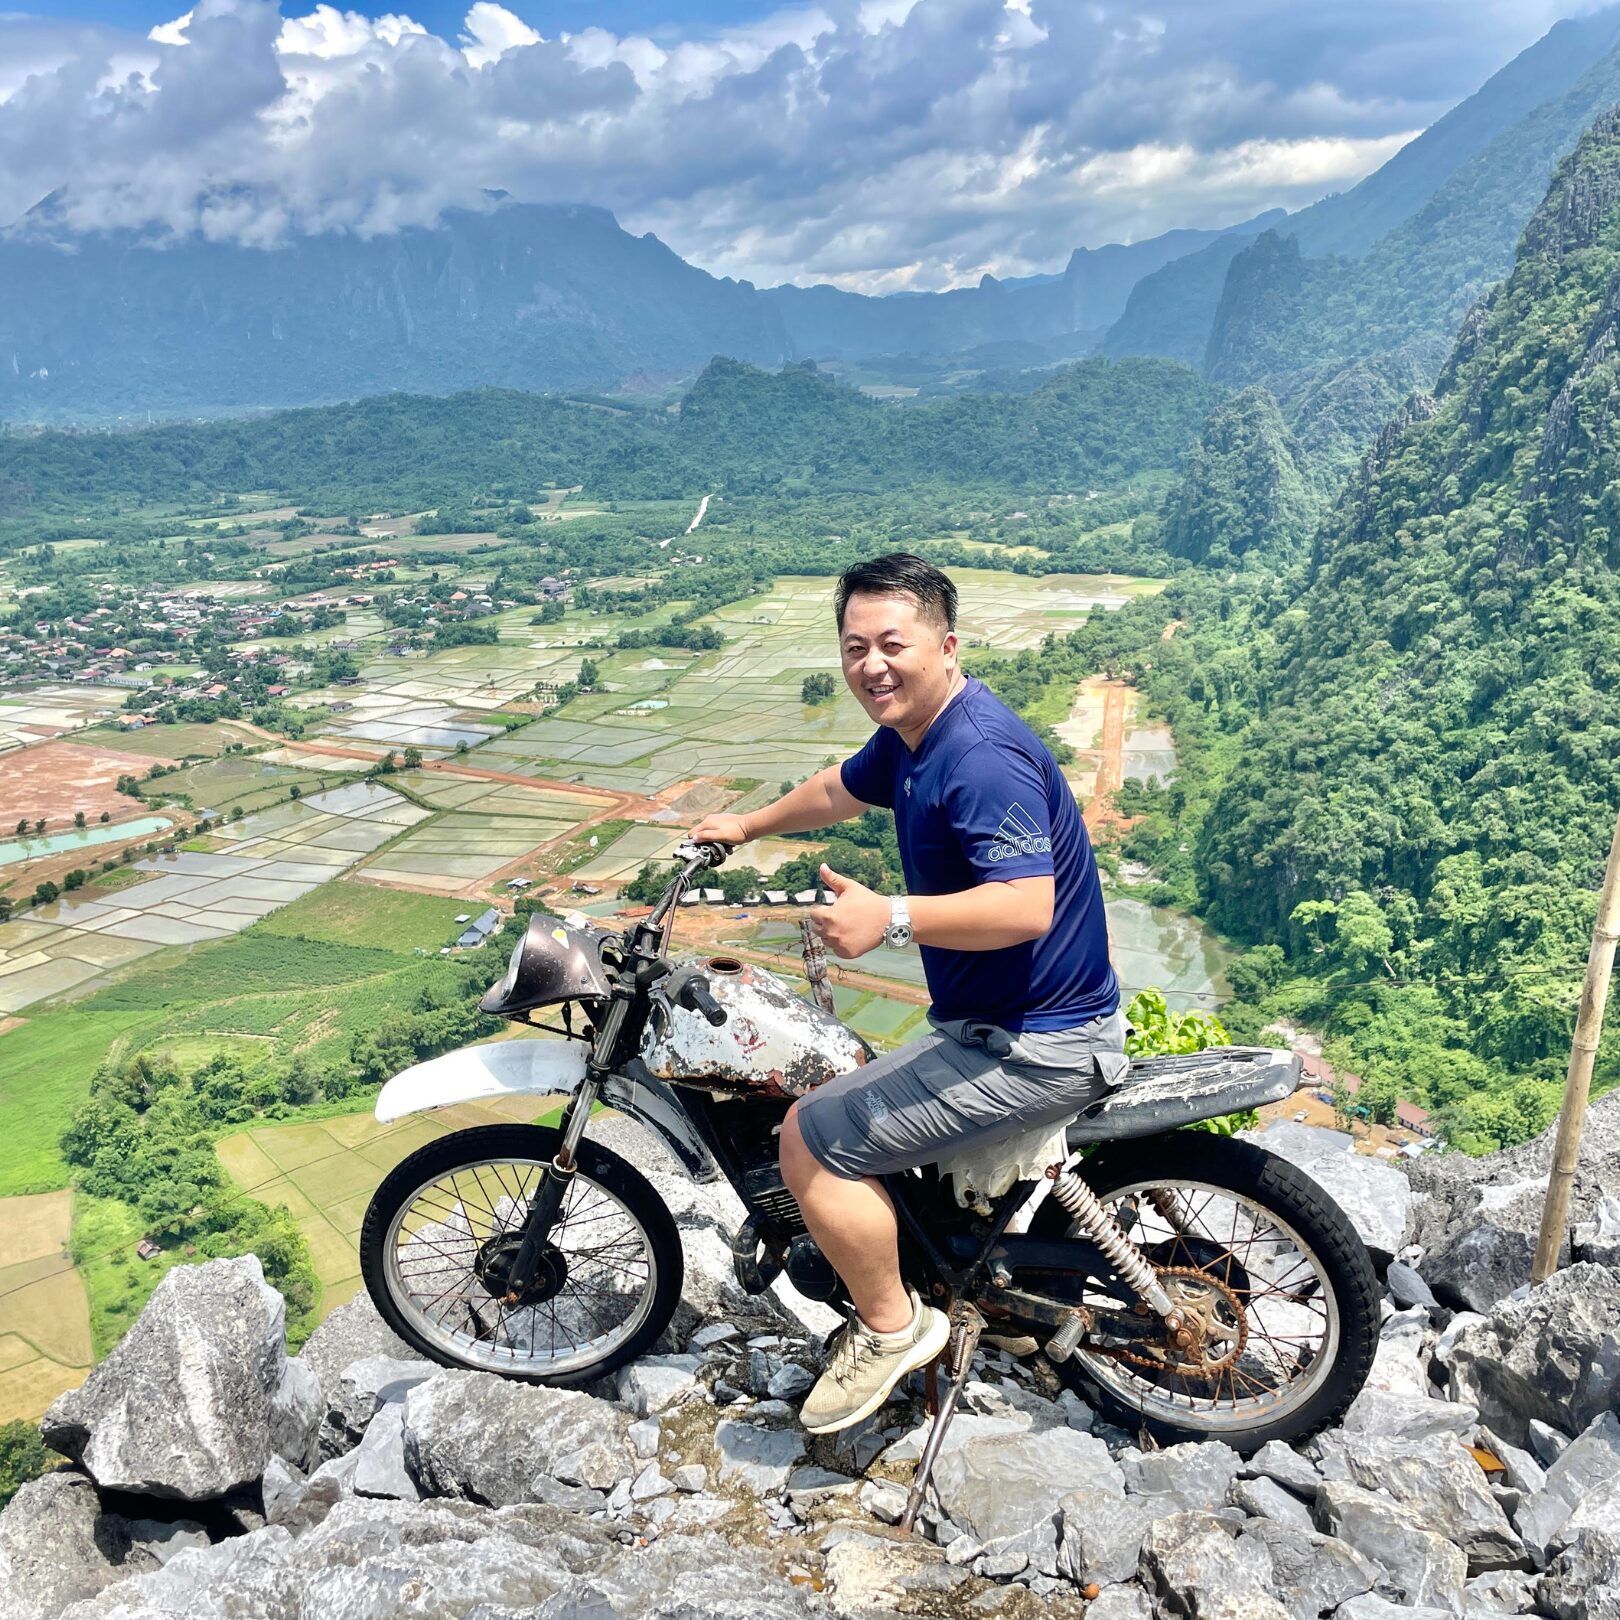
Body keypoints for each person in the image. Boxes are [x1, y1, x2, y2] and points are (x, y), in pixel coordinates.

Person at [690, 552, 1123, 1434]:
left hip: (1038, 1042)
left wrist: (889, 917)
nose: (872, 666)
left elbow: (1025, 905)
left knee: (809, 1138)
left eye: (893, 644)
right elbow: (838, 788)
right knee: (841, 1080)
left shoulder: (978, 756)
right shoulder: (917, 737)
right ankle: (917, 1270)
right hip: (995, 1024)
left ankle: (893, 1326)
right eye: (855, 648)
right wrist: (748, 825)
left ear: (947, 644)